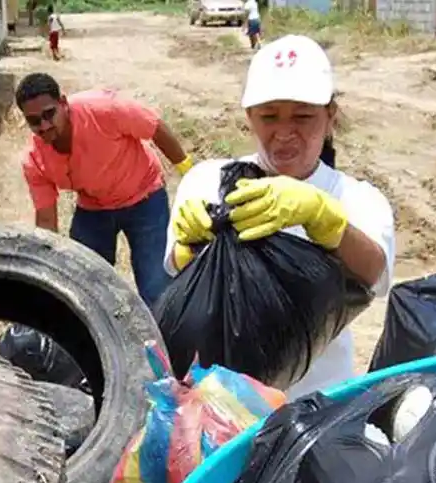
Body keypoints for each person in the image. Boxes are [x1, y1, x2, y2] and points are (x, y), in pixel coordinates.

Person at [164, 34, 395, 400]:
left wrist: (324, 219)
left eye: (303, 116)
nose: (285, 132)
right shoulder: (208, 182)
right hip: (217, 404)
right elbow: (178, 272)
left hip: (316, 403)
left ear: (330, 117)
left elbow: (375, 275)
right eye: (269, 116)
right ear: (249, 118)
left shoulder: (356, 199)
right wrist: (190, 246)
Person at [18, 73, 195, 306]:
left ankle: (165, 340)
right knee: (82, 286)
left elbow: (155, 128)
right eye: (34, 121)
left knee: (156, 289)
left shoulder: (103, 109)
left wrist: (189, 172)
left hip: (145, 198)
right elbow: (47, 221)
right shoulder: (35, 160)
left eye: (49, 114)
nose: (44, 125)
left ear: (63, 103)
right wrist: (43, 272)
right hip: (94, 208)